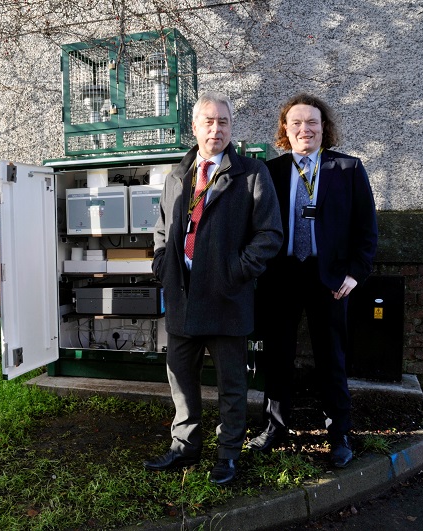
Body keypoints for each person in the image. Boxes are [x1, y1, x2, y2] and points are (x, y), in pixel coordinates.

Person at [145, 92, 283, 484]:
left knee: (232, 385)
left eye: (223, 121)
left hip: (227, 298)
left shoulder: (252, 173)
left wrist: (236, 272)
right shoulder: (178, 175)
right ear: (194, 126)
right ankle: (185, 446)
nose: (216, 128)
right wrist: (163, 267)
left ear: (231, 127)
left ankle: (228, 455)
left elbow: (270, 234)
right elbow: (161, 230)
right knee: (181, 381)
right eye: (208, 121)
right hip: (182, 298)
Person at [248, 93, 378, 469]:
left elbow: (366, 230)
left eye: (312, 123)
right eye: (296, 123)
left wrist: (356, 274)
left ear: (324, 128)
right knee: (278, 356)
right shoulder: (270, 172)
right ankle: (275, 428)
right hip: (281, 277)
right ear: (285, 130)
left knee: (331, 358)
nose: (305, 129)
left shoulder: (348, 169)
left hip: (330, 279)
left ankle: (339, 433)